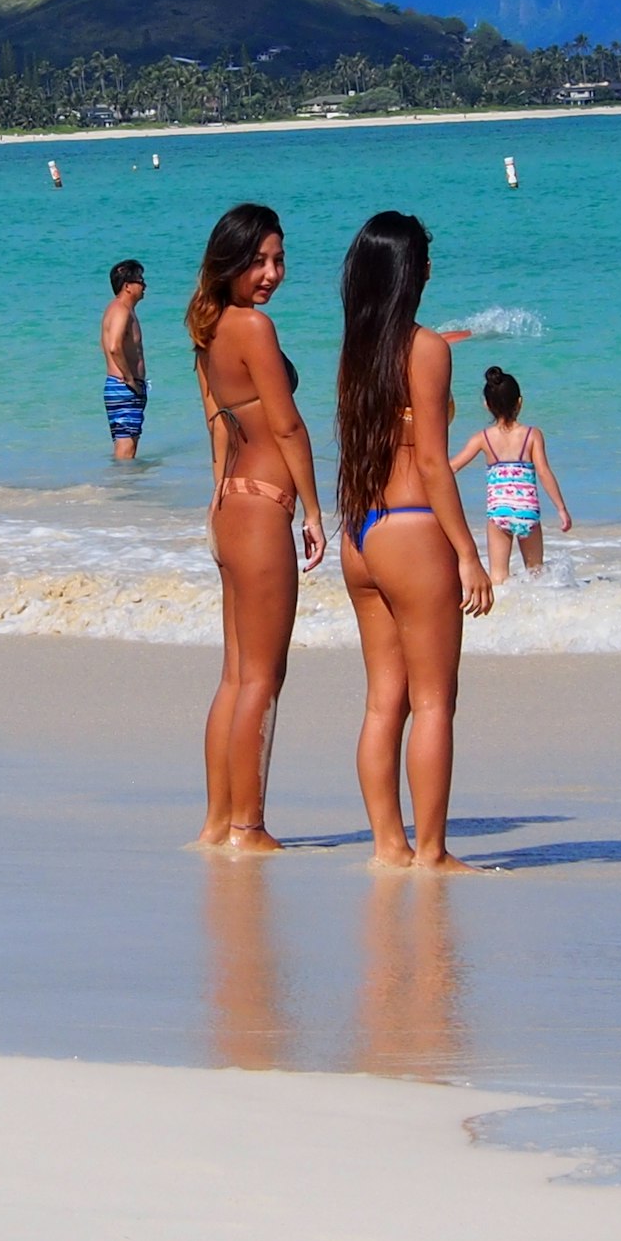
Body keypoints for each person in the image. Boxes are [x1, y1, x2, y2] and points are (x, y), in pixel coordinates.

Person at [333, 211, 494, 872]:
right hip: (411, 529)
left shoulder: (357, 348)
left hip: (361, 532)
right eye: (426, 258)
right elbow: (432, 463)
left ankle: (388, 845)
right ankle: (431, 850)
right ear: (416, 270)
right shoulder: (427, 349)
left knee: (383, 701)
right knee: (433, 701)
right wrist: (468, 553)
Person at [190, 203, 323, 852]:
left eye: (279, 259)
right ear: (231, 262)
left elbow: (219, 427)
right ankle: (249, 826)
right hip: (265, 503)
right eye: (259, 260)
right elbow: (289, 426)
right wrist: (318, 511)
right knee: (264, 678)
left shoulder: (209, 330)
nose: (272, 272)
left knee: (237, 676)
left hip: (230, 503)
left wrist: (213, 504)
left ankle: (218, 823)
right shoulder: (253, 327)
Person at [453, 367, 574, 579]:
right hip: (528, 512)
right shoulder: (532, 435)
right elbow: (544, 472)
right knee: (536, 575)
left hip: (499, 513)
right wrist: (561, 509)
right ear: (519, 402)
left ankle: (504, 611)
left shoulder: (483, 438)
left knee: (498, 578)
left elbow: (451, 467)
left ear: (487, 405)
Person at [101, 259, 149, 461]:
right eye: (140, 280)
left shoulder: (117, 309)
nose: (144, 285)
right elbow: (114, 346)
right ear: (127, 286)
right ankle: (122, 490)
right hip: (124, 388)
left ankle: (126, 488)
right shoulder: (121, 310)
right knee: (126, 449)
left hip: (122, 389)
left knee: (125, 446)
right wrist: (130, 379)